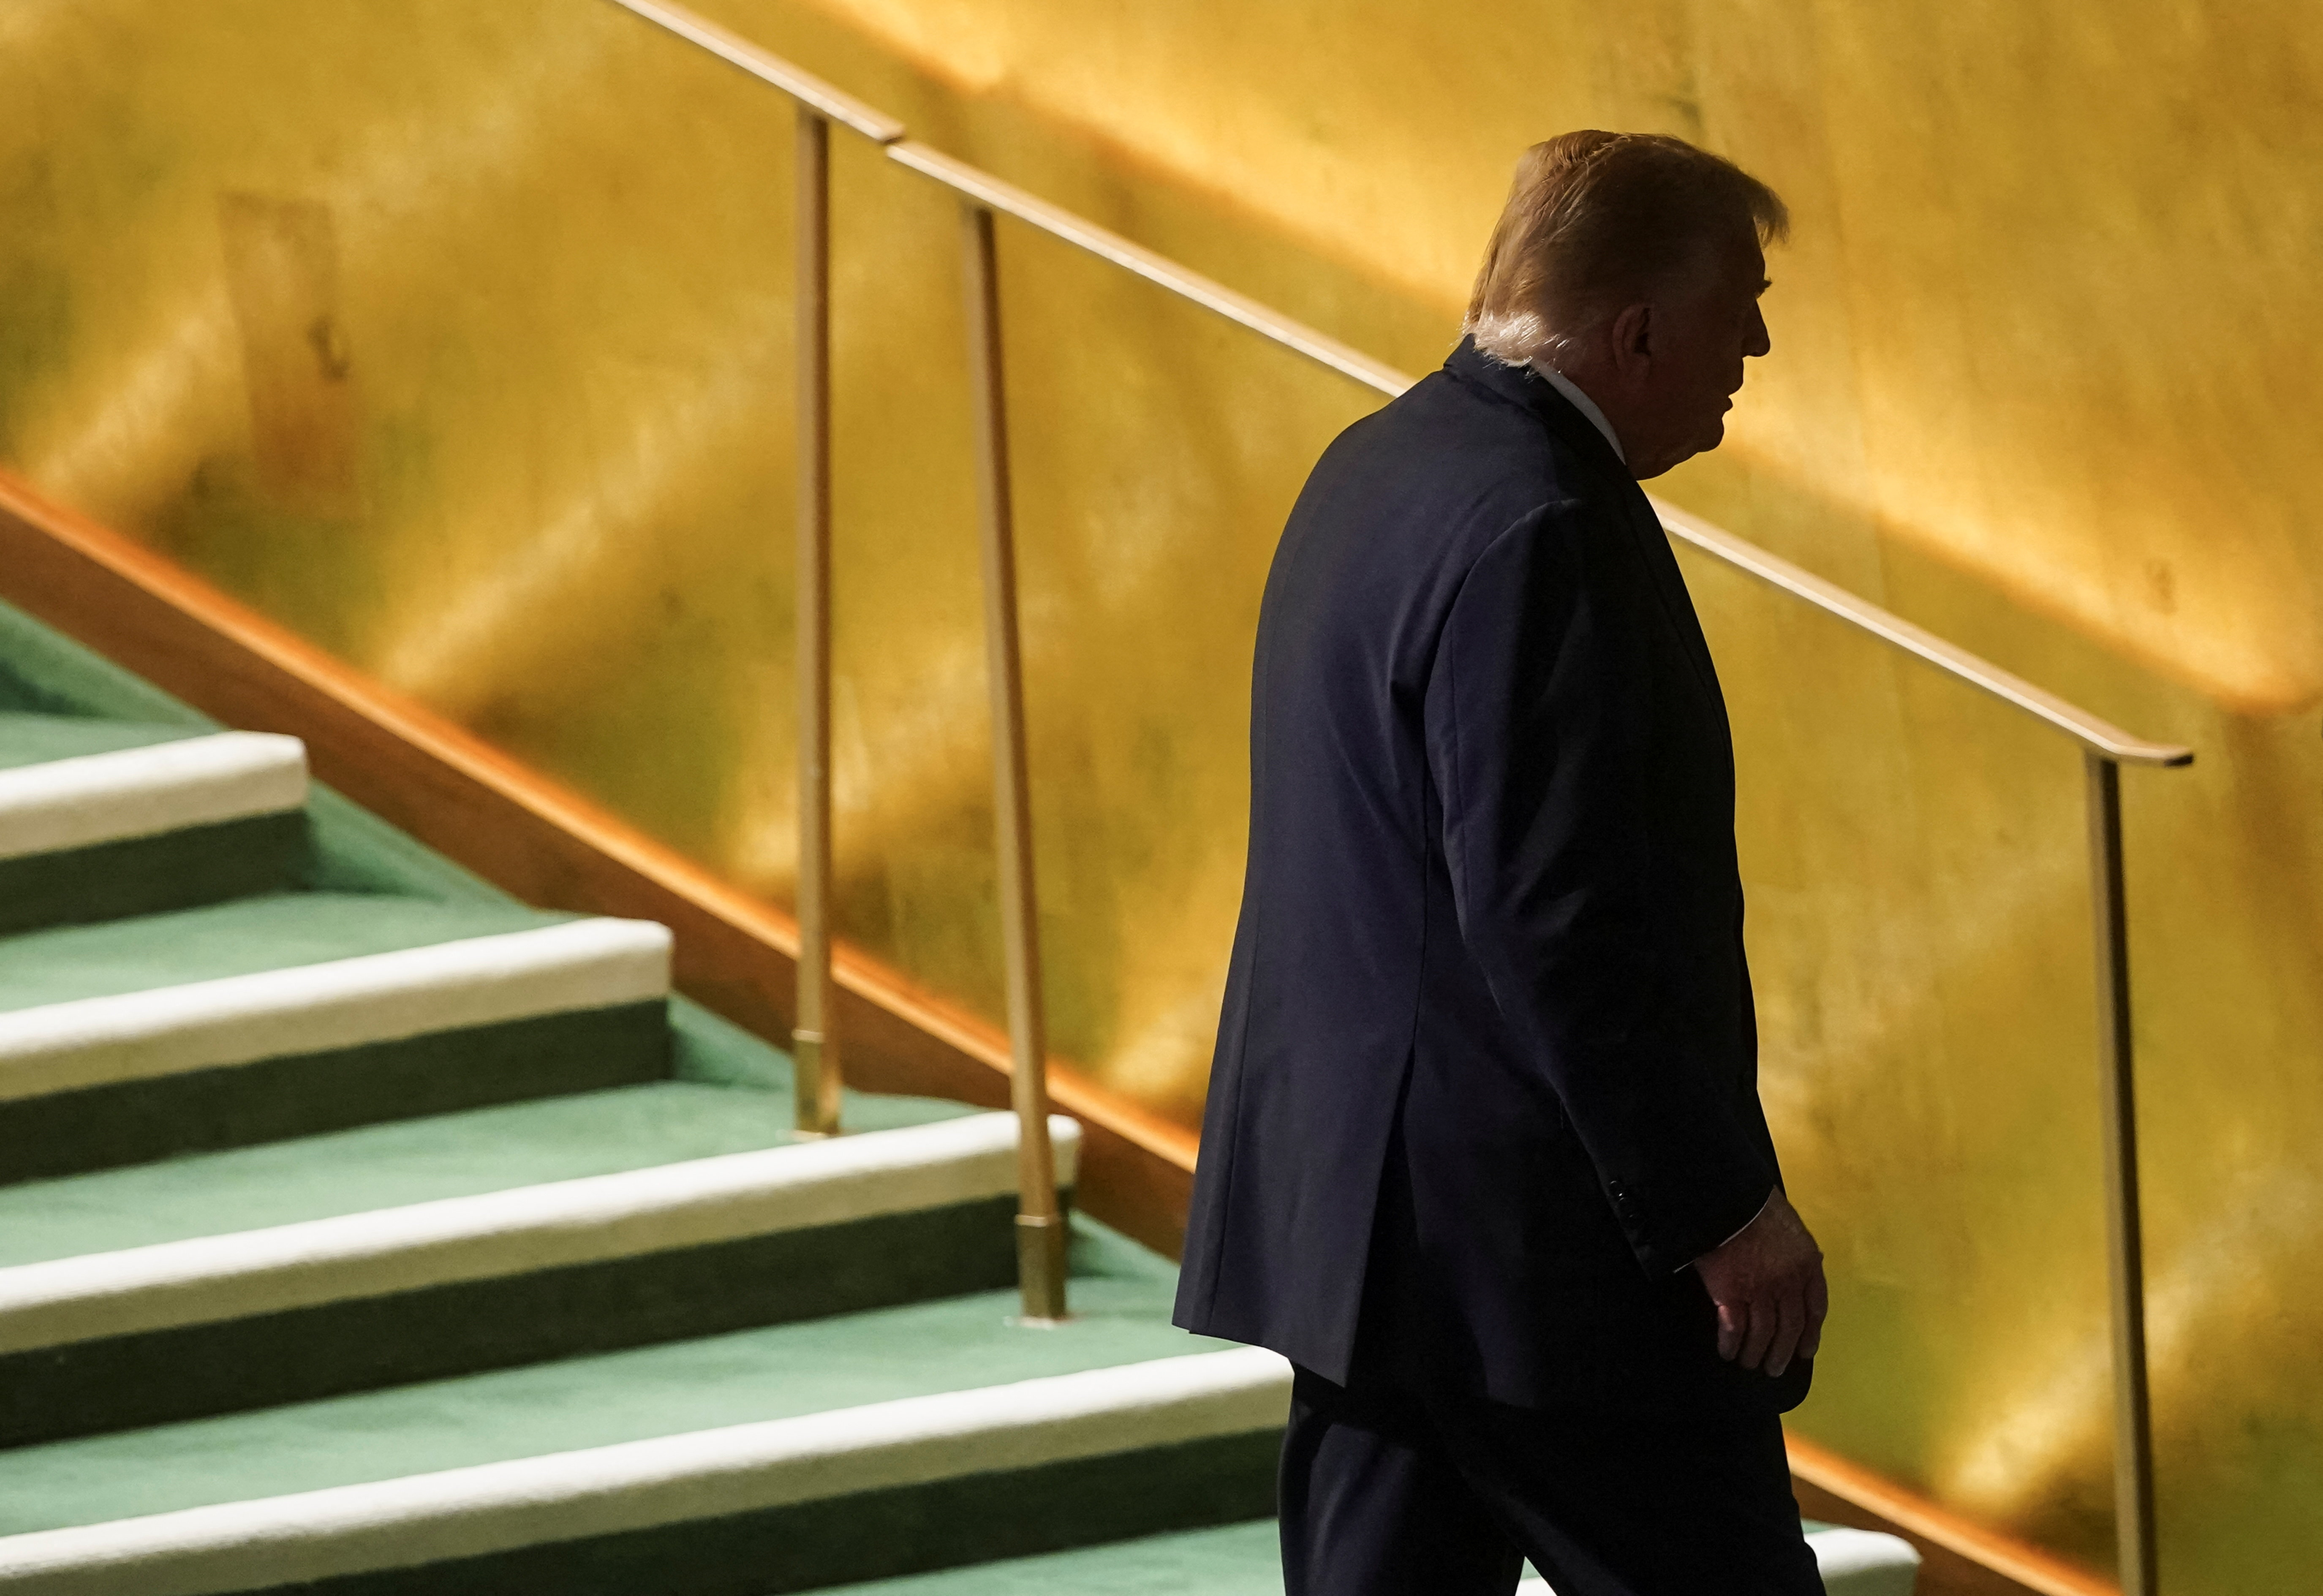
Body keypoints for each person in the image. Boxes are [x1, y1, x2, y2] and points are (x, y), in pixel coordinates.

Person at [1173, 131, 1831, 1595]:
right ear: (1639, 329)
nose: (1760, 343)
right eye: (1745, 303)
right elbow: (1556, 920)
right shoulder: (1542, 522)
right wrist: (1722, 1209)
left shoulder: (1378, 465)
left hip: (1370, 1259)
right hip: (1540, 1283)